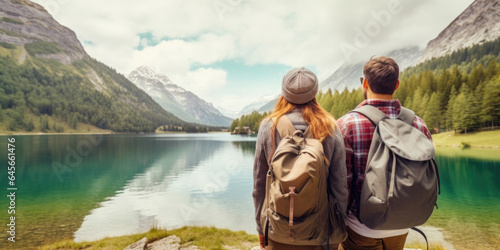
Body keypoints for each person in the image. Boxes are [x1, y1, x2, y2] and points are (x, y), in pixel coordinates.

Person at [336, 56, 433, 250]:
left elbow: (342, 185)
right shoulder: (418, 124)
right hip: (403, 223)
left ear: (364, 83)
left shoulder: (346, 125)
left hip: (361, 227)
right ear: (396, 84)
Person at [253, 67, 348, 250]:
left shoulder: (268, 127)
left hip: (277, 231)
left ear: (284, 93)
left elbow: (259, 186)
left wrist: (260, 227)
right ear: (314, 93)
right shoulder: (329, 128)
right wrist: (339, 225)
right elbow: (340, 187)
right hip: (320, 234)